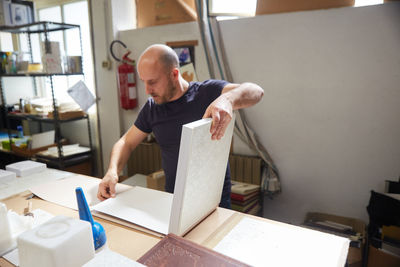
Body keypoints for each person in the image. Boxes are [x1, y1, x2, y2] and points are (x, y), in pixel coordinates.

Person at [97, 44, 264, 208]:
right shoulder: (152, 108)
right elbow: (126, 142)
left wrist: (228, 99)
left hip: (215, 199)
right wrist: (112, 171)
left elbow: (256, 91)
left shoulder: (206, 93)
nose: (147, 90)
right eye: (144, 82)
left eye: (153, 82)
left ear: (174, 74)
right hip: (174, 198)